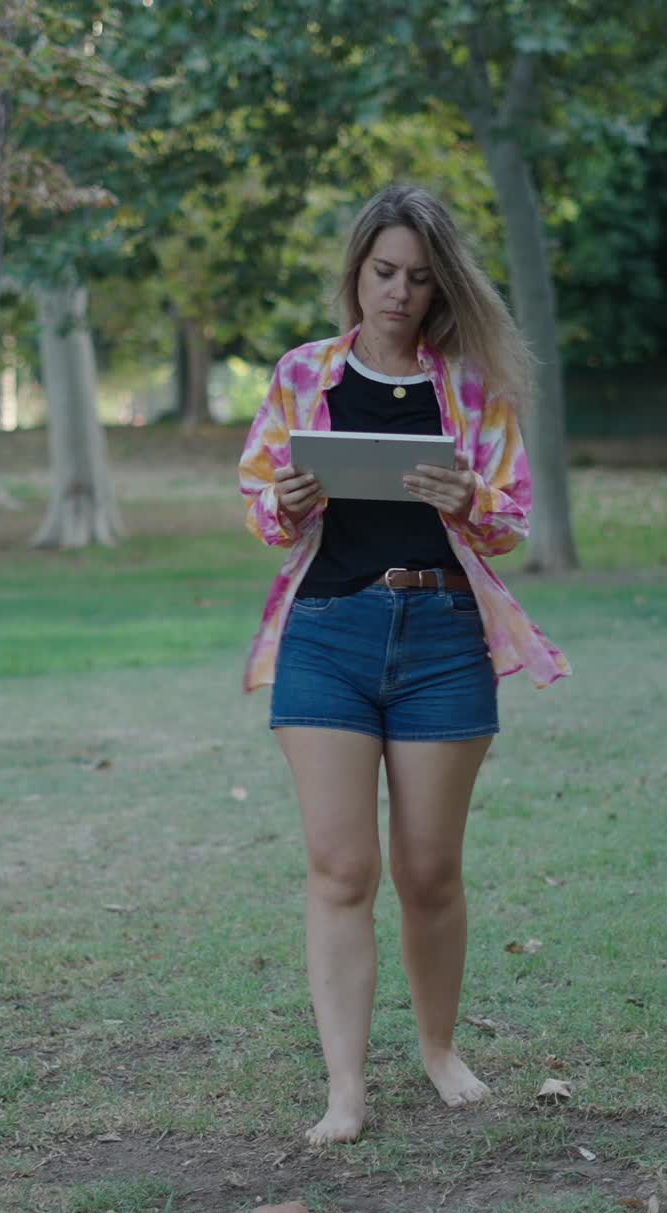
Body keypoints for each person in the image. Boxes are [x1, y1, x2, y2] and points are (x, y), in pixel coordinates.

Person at [239, 185, 570, 1147]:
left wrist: (466, 495)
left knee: (430, 871)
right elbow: (261, 509)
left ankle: (436, 1048)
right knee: (342, 868)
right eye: (385, 272)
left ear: (442, 288)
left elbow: (512, 523)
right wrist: (293, 498)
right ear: (357, 271)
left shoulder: (472, 387)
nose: (399, 292)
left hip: (441, 635)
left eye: (420, 279)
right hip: (330, 633)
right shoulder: (303, 373)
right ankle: (345, 1089)